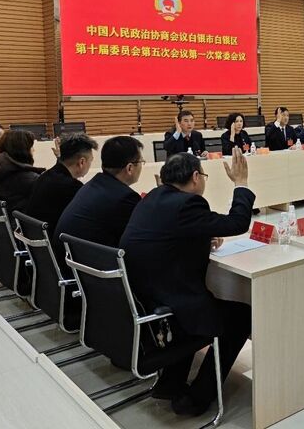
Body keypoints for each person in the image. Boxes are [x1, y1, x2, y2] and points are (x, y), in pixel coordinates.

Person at [119, 150, 254, 416]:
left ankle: (170, 383)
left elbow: (166, 234)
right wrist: (241, 183)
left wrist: (202, 236)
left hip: (143, 298)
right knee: (240, 316)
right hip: (171, 304)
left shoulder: (153, 197)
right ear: (195, 177)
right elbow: (237, 223)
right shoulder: (189, 203)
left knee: (209, 305)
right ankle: (198, 397)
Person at [52, 136, 144, 273]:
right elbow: (139, 242)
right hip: (91, 275)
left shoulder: (94, 185)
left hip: (68, 267)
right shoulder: (125, 198)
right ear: (129, 168)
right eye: (141, 162)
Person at [25, 134, 98, 236]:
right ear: (82, 162)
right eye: (90, 160)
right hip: (55, 241)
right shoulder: (72, 187)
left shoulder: (46, 176)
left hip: (36, 238)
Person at [0, 129, 44, 212]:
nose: (33, 150)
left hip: (7, 216)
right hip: (22, 218)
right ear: (23, 149)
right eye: (31, 147)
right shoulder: (29, 178)